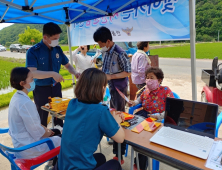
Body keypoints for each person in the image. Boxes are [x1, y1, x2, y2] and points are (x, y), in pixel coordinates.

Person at [57, 68, 124, 170]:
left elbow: (87, 117)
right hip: (77, 167)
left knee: (101, 158)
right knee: (115, 164)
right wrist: (116, 121)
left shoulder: (72, 103)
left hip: (63, 165)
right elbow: (120, 138)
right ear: (101, 89)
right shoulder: (101, 111)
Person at [26, 22, 80, 127]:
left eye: (58, 38)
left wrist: (76, 73)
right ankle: (43, 140)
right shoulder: (33, 51)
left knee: (59, 114)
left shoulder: (58, 49)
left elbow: (68, 65)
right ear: (45, 37)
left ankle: (58, 136)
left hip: (55, 87)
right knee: (43, 116)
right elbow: (32, 73)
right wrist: (52, 74)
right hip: (41, 89)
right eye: (55, 38)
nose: (57, 41)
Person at [8, 67, 61, 169]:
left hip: (21, 142)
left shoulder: (16, 97)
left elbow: (32, 123)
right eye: (31, 79)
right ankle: (57, 166)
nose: (33, 81)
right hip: (29, 149)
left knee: (55, 131)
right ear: (22, 83)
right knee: (63, 139)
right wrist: (47, 132)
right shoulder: (25, 103)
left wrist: (46, 129)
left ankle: (53, 163)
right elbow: (36, 132)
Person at [93, 26, 131, 164]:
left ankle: (119, 154)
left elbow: (127, 72)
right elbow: (106, 68)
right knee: (112, 117)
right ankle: (115, 146)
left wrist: (110, 76)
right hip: (111, 89)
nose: (99, 46)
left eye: (100, 43)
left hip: (119, 90)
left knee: (120, 119)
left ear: (108, 41)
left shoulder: (120, 53)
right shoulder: (106, 52)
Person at [129, 67, 174, 170]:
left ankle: (141, 165)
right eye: (147, 77)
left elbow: (173, 108)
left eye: (152, 78)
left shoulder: (165, 90)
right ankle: (138, 160)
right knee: (131, 130)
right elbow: (140, 99)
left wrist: (159, 116)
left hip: (157, 118)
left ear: (159, 80)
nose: (148, 80)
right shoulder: (146, 90)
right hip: (144, 115)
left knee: (143, 138)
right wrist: (134, 102)